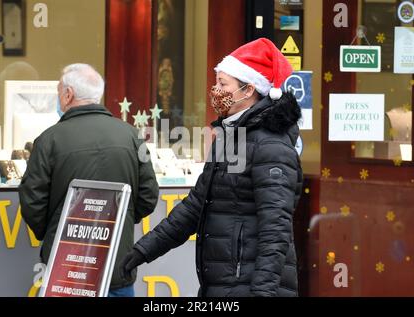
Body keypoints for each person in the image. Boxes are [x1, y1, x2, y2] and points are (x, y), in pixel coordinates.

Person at [119, 38, 303, 297]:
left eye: (222, 83)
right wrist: (142, 250)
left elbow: (276, 228)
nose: (215, 90)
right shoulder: (232, 136)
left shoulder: (271, 145)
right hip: (222, 284)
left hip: (248, 287)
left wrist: (263, 292)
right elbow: (196, 206)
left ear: (248, 89)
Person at [19, 63, 159, 297]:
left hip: (66, 269)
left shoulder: (48, 140)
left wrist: (51, 233)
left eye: (58, 92)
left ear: (68, 94)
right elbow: (149, 196)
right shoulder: (132, 135)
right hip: (117, 263)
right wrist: (119, 223)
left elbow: (32, 200)